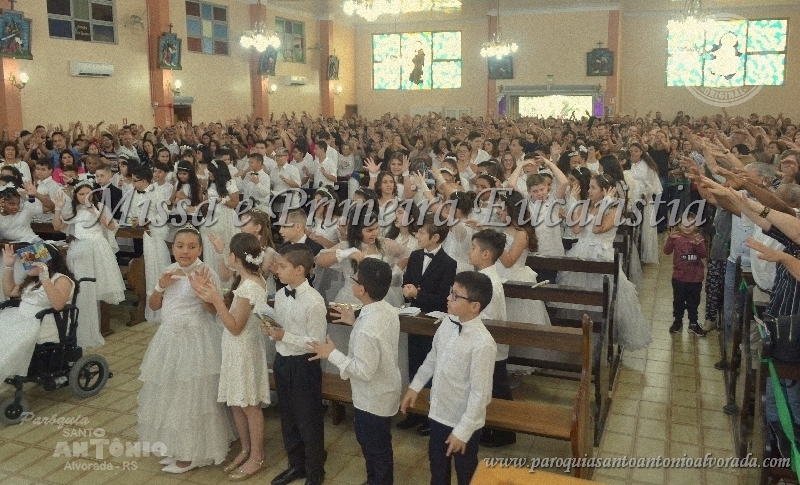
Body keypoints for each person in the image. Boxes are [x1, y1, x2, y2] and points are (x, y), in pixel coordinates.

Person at [136, 226, 235, 473]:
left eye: (192, 247)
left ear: (200, 249)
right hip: (169, 339)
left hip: (196, 339)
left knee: (191, 397)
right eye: (180, 246)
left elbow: (213, 312)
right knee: (169, 394)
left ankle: (192, 453)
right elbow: (154, 306)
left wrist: (202, 292)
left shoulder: (205, 271)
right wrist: (160, 286)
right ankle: (176, 446)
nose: (185, 251)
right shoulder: (169, 270)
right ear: (173, 248)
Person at [307, 258, 401, 485]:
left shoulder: (368, 327)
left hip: (372, 398)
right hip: (385, 389)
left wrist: (332, 353)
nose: (352, 282)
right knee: (378, 446)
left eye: (355, 279)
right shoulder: (387, 309)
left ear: (362, 289)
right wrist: (355, 321)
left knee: (374, 448)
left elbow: (364, 371)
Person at [400, 271, 497, 485]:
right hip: (438, 413)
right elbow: (432, 358)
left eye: (455, 295)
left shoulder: (483, 344)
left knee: (466, 472)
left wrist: (463, 431)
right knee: (438, 468)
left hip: (464, 420)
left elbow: (480, 394)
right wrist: (415, 387)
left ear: (474, 306)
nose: (448, 297)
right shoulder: (447, 322)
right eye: (450, 292)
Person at [191, 233, 270, 481]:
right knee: (236, 402)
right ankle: (245, 449)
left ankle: (257, 455)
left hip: (244, 350)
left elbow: (235, 326)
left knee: (249, 405)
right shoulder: (248, 277)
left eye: (229, 255)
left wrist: (216, 299)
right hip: (235, 349)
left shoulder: (249, 286)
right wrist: (209, 293)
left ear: (235, 257)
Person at [263, 244, 327, 485]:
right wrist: (272, 330)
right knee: (288, 417)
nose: (277, 270)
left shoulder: (314, 301)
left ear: (299, 269)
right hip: (282, 361)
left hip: (304, 365)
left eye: (282, 266)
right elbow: (282, 327)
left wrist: (285, 336)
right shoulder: (281, 295)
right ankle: (296, 465)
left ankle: (315, 471)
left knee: (308, 420)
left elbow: (317, 344)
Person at [398, 215, 456, 435]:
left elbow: (443, 298)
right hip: (414, 317)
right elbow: (407, 281)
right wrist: (407, 290)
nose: (418, 235)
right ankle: (414, 412)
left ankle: (430, 416)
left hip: (433, 321)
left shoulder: (448, 263)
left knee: (430, 367)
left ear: (435, 237)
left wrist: (418, 293)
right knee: (414, 364)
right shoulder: (415, 256)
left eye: (422, 232)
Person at [52, 181, 125, 349]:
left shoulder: (99, 207)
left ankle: (99, 324)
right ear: (76, 196)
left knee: (95, 286)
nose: (85, 197)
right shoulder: (74, 210)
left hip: (97, 249)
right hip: (80, 249)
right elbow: (57, 226)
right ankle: (80, 324)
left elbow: (111, 226)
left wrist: (95, 212)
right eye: (81, 194)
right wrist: (58, 208)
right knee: (81, 287)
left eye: (88, 194)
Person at [468, 229, 516, 448]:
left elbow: (487, 318)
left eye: (473, 248)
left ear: (486, 254)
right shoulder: (484, 277)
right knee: (490, 387)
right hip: (488, 343)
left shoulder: (488, 282)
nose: (469, 252)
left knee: (498, 389)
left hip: (492, 343)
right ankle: (492, 427)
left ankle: (505, 432)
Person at [0, 243, 75, 381]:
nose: (26, 265)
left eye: (30, 262)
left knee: (8, 341)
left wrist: (44, 278)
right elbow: (9, 291)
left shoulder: (61, 279)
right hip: (21, 317)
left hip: (43, 322)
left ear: (47, 263)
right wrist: (8, 266)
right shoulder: (31, 281)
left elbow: (58, 304)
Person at [664, 213, 708, 336]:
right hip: (679, 278)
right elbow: (666, 251)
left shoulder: (699, 238)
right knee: (678, 301)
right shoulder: (676, 238)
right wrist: (670, 239)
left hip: (695, 278)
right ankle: (677, 321)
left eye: (691, 224)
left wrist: (698, 245)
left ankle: (693, 323)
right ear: (679, 225)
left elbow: (703, 255)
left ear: (696, 225)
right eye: (684, 224)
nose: (687, 227)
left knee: (693, 302)